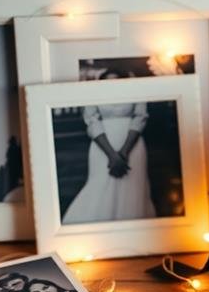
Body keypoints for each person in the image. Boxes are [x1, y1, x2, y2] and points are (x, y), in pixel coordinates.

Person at [61, 68, 156, 224]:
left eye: (116, 80)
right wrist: (112, 155)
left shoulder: (135, 92)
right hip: (102, 145)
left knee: (132, 188)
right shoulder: (94, 95)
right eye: (107, 81)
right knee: (100, 184)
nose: (112, 83)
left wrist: (124, 152)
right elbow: (92, 120)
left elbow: (140, 117)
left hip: (133, 144)